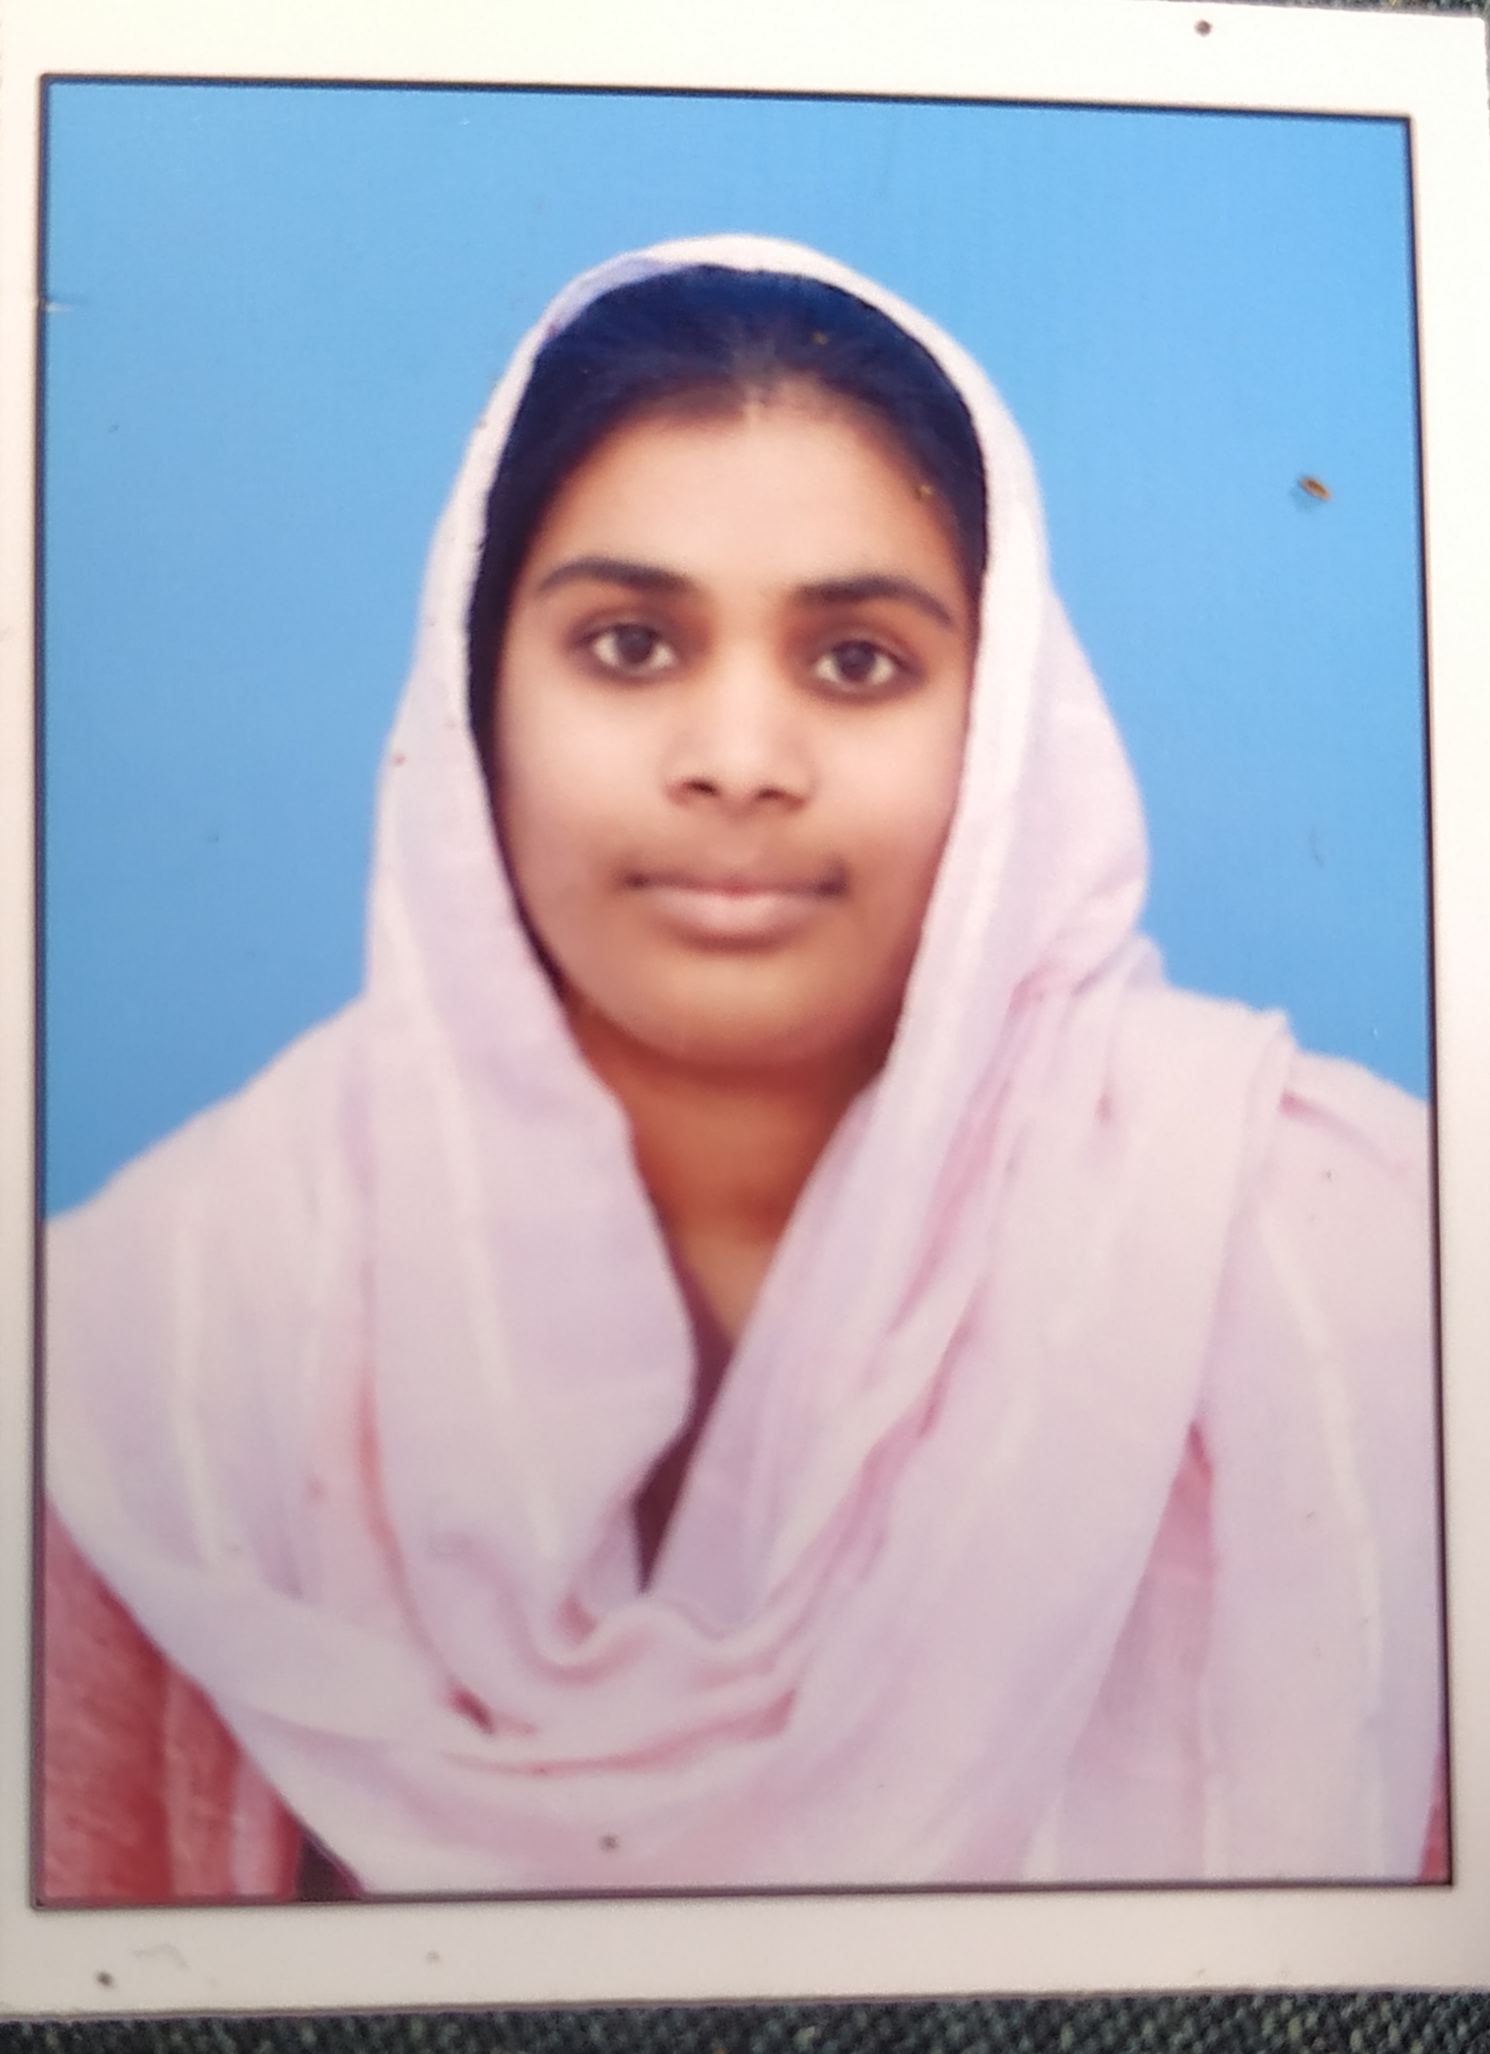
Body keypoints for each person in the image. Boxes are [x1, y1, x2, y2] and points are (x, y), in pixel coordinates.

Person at [41, 235, 1442, 1903]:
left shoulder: (1351, 1263)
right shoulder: (149, 1343)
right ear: (473, 698)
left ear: (1003, 726)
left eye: (856, 660)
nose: (737, 762)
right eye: (630, 644)